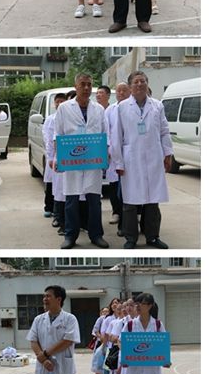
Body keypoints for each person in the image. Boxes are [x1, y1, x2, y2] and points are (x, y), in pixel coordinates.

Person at [112, 70, 173, 249]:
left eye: (143, 81)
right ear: (130, 86)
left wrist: (167, 154)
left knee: (153, 201)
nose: (140, 84)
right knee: (130, 202)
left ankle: (152, 237)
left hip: (154, 158)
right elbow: (116, 136)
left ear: (147, 84)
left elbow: (164, 131)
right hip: (131, 160)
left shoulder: (157, 106)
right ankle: (130, 238)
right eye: (136, 82)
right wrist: (118, 162)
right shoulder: (122, 107)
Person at [53, 73, 109, 249]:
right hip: (72, 161)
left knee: (94, 200)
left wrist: (106, 155)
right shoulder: (64, 108)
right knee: (71, 200)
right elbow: (57, 134)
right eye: (83, 84)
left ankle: (96, 235)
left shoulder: (99, 109)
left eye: (89, 84)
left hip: (93, 160)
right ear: (76, 86)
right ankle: (70, 235)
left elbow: (105, 134)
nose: (86, 88)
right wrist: (57, 158)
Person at [105, 82, 131, 227]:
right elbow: (106, 130)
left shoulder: (133, 107)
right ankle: (117, 213)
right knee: (115, 187)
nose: (121, 93)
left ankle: (128, 220)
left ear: (129, 91)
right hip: (114, 154)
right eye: (119, 90)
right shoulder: (110, 110)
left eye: (124, 90)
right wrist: (109, 149)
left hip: (129, 154)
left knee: (127, 189)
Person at [43, 93, 67, 221]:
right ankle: (49, 208)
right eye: (57, 101)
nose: (60, 104)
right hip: (54, 155)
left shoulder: (68, 118)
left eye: (62, 101)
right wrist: (50, 157)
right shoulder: (51, 119)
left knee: (61, 187)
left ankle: (59, 214)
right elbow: (48, 138)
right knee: (52, 184)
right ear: (54, 103)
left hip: (65, 157)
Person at [90, 307, 109, 374]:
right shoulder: (101, 319)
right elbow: (95, 330)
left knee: (109, 365)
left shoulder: (112, 318)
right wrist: (101, 337)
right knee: (99, 364)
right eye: (104, 311)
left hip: (109, 344)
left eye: (107, 311)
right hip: (100, 343)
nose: (105, 313)